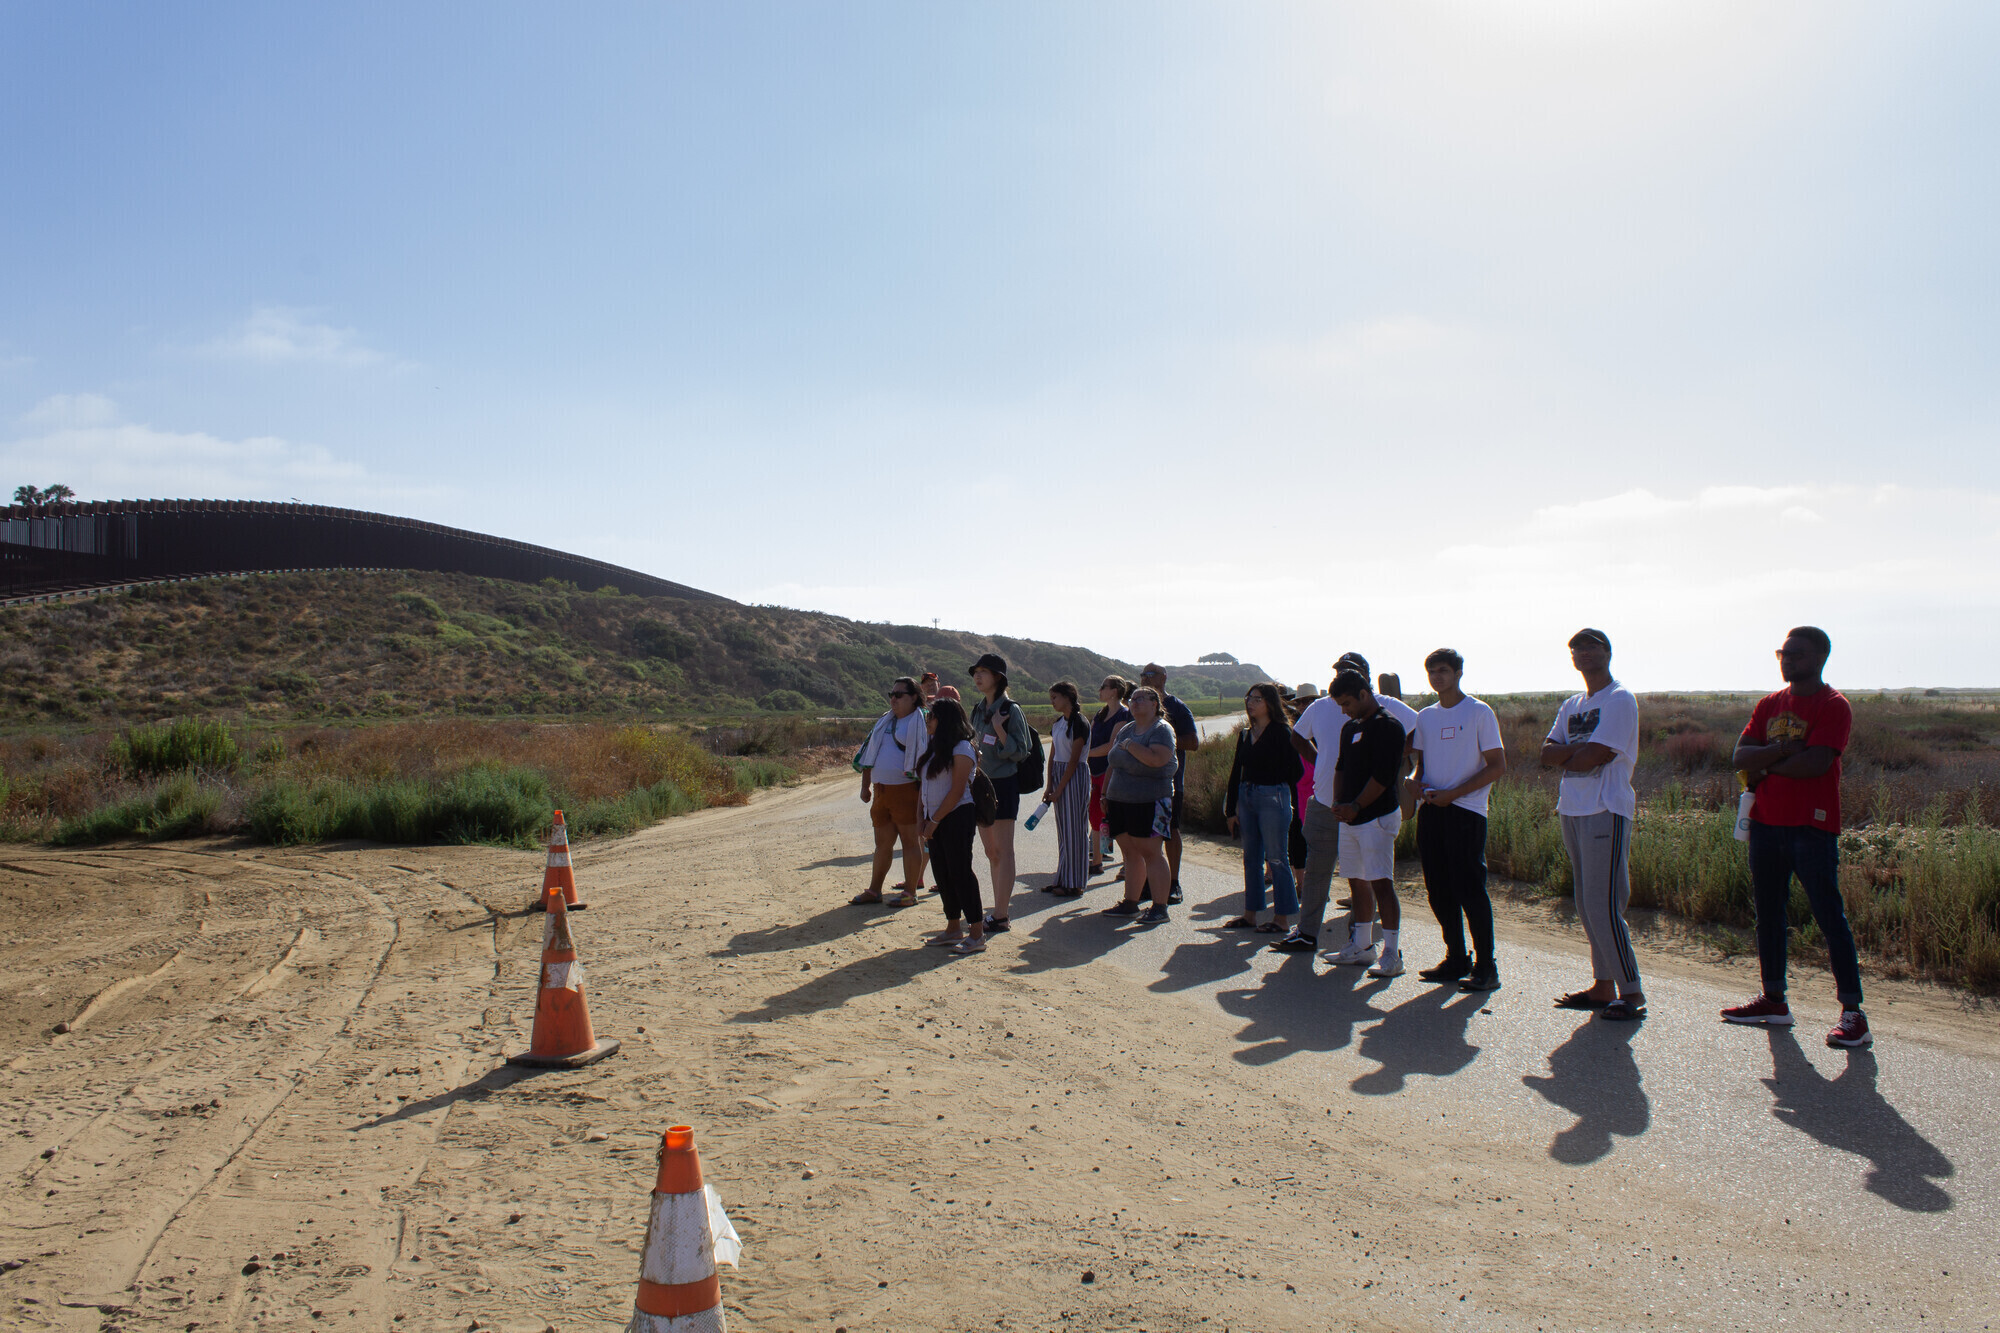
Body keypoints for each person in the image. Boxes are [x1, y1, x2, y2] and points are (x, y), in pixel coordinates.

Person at [1722, 627, 1870, 1048]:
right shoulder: (1770, 704)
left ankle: (1853, 1013)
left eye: (1796, 654)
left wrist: (1765, 763)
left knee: (1829, 917)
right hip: (1766, 823)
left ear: (1820, 657)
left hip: (1811, 825)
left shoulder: (1833, 705)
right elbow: (1739, 757)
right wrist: (1786, 752)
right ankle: (1773, 1000)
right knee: (1769, 913)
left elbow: (1816, 764)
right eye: (1783, 653)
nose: (1787, 660)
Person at [1540, 628, 1643, 1013]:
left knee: (1604, 905)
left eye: (1591, 646)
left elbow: (1594, 755)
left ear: (1607, 652)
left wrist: (1575, 753)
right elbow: (1547, 752)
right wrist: (1577, 753)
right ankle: (1603, 987)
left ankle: (1631, 992)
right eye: (1576, 648)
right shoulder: (1572, 704)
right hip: (1573, 807)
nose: (1583, 653)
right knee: (1586, 904)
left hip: (1605, 807)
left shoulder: (1619, 699)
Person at [1410, 649, 1507, 985]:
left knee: (1469, 889)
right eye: (1431, 671)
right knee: (1438, 889)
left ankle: (1486, 967)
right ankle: (1456, 959)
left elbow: (1497, 765)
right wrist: (1414, 783)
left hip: (1466, 811)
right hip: (1432, 811)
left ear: (1458, 672)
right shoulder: (1425, 717)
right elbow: (1422, 765)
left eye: (1443, 670)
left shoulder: (1479, 712)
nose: (1437, 677)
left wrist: (1455, 793)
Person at [1321, 671, 1408, 974]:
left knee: (1381, 883)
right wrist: (1338, 803)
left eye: (1347, 703)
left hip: (1377, 816)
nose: (1345, 710)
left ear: (1363, 693)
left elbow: (1383, 777)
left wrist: (1357, 805)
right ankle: (1361, 946)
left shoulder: (1389, 727)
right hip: (1350, 818)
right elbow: (1341, 768)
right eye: (1340, 705)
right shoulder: (1350, 729)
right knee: (1356, 881)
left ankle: (1392, 955)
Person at [1222, 683, 1303, 932]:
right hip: (1246, 797)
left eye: (1257, 699)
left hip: (1273, 797)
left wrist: (1275, 785)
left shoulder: (1282, 732)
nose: (1251, 703)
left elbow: (1296, 771)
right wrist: (1230, 810)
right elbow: (1237, 771)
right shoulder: (1247, 733)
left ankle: (1281, 919)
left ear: (1270, 702)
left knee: (1277, 858)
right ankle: (1250, 915)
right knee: (1251, 858)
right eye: (1249, 698)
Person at [1099, 686, 1179, 924]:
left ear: (1155, 704)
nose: (1134, 703)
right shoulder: (1126, 729)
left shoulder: (1162, 729)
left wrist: (1130, 746)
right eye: (1132, 699)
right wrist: (1105, 793)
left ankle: (1159, 907)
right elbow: (1112, 762)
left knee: (1152, 853)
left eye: (1141, 699)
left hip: (1152, 800)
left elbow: (1157, 760)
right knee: (1130, 852)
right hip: (1120, 799)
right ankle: (1130, 903)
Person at [968, 652, 1032, 933]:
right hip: (980, 784)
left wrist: (999, 730)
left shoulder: (1010, 710)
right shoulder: (977, 709)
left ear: (998, 678)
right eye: (976, 672)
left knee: (1004, 850)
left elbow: (1021, 751)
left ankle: (1001, 915)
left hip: (1004, 785)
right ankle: (995, 910)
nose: (977, 676)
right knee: (990, 850)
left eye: (984, 671)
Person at [851, 677, 929, 908]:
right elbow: (869, 754)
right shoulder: (884, 721)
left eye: (899, 694)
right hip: (881, 791)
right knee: (882, 844)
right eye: (891, 694)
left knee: (910, 843)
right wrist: (865, 786)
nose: (893, 699)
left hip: (907, 791)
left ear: (913, 697)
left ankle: (910, 892)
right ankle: (874, 890)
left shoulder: (922, 721)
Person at [916, 699, 985, 955]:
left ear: (944, 719)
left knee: (961, 873)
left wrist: (933, 822)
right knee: (942, 873)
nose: (927, 721)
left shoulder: (962, 748)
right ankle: (953, 927)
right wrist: (920, 820)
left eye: (931, 716)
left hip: (956, 817)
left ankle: (976, 934)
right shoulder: (934, 748)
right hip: (934, 820)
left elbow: (957, 792)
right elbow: (923, 788)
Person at [1137, 663, 1200, 903]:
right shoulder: (1138, 705)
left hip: (1169, 783)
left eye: (1150, 675)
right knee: (1144, 835)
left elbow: (1193, 742)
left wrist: (1163, 740)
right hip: (1140, 784)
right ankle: (1147, 882)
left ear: (1163, 678)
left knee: (1170, 832)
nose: (1144, 679)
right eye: (1142, 674)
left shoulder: (1177, 707)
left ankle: (1173, 883)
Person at [1045, 681, 1092, 896]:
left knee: (1075, 831)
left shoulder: (1079, 723)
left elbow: (1074, 761)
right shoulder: (1058, 724)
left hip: (1074, 776)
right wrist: (1049, 786)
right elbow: (1053, 756)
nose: (1052, 702)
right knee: (1064, 832)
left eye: (1055, 697)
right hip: (1059, 776)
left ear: (1067, 697)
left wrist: (1060, 788)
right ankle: (1062, 878)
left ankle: (1075, 883)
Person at [1087, 677, 1133, 875]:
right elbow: (1089, 737)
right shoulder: (1101, 713)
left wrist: (1085, 753)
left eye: (1103, 687)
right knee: (1096, 816)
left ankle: (1128, 863)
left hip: (1112, 772)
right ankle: (1096, 861)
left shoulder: (1124, 715)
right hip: (1094, 771)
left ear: (1114, 691)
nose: (1100, 690)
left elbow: (1111, 747)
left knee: (1116, 819)